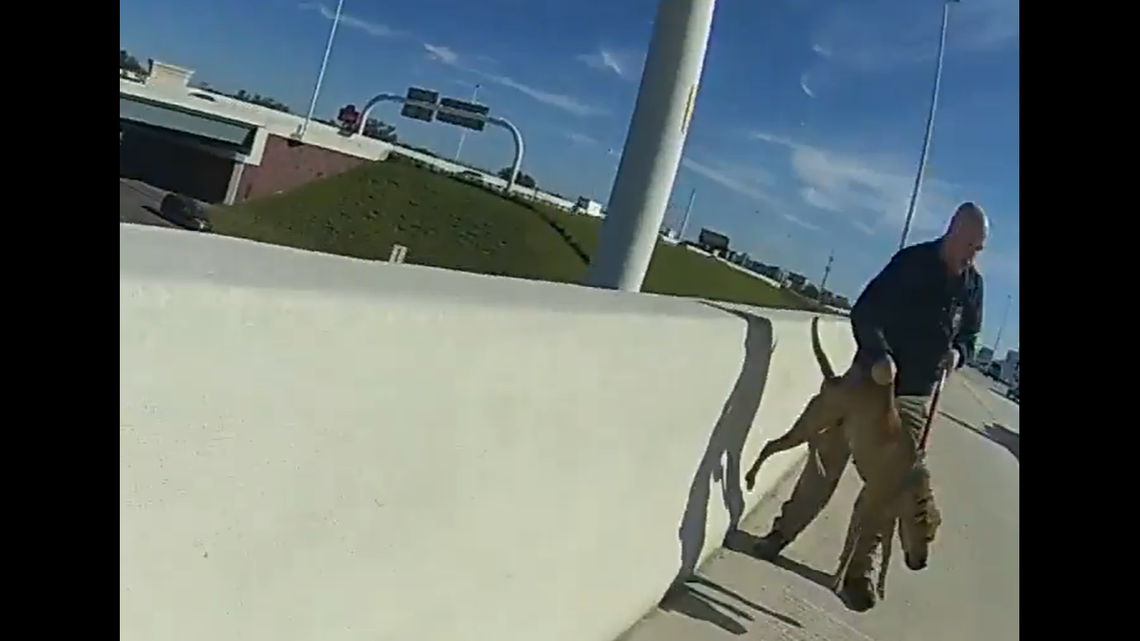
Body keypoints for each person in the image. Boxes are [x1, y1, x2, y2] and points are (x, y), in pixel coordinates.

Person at [752, 202, 988, 611]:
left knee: (889, 491)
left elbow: (969, 335)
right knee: (826, 460)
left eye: (978, 248)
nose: (971, 255)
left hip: (915, 397)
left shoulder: (973, 286)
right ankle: (780, 533)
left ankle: (857, 573)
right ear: (951, 229)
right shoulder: (911, 262)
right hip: (870, 384)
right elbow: (865, 311)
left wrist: (960, 354)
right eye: (968, 243)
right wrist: (879, 354)